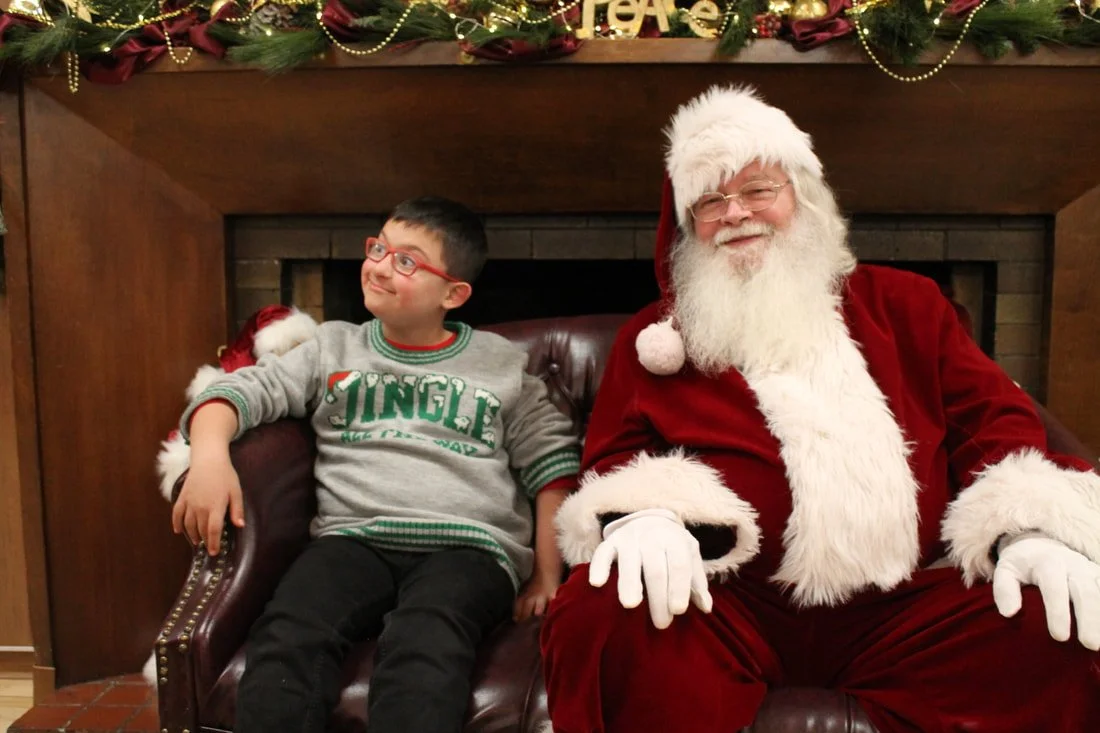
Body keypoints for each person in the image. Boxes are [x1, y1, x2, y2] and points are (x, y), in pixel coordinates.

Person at [540, 85, 1100, 733]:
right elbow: (614, 454)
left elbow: (997, 424)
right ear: (689, 224)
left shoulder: (910, 305)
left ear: (801, 196)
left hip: (904, 607)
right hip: (724, 603)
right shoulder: (656, 338)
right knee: (601, 609)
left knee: (1058, 623)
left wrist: (1028, 530)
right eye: (711, 200)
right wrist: (644, 516)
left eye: (757, 189)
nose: (736, 213)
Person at [170, 196, 580, 733]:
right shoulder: (332, 348)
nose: (381, 265)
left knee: (423, 644)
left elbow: (551, 462)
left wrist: (546, 576)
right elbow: (240, 393)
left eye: (407, 261)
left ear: (452, 294)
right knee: (288, 635)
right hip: (352, 539)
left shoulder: (498, 362)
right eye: (379, 247)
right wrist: (208, 459)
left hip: (469, 549)